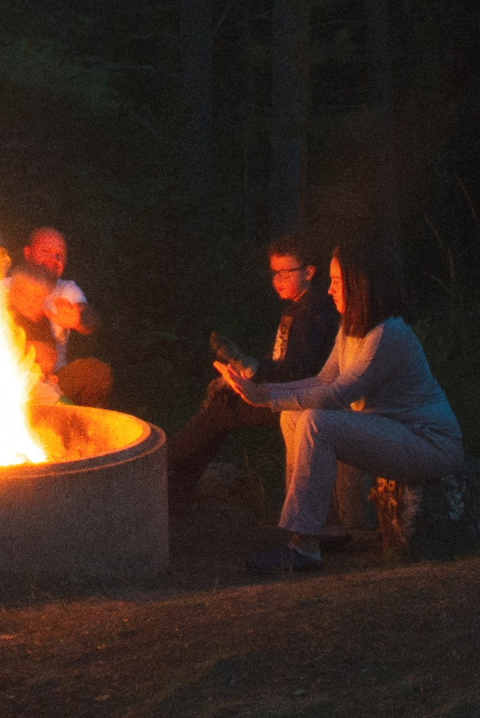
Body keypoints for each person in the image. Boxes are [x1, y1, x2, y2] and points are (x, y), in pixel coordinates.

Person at [223, 243, 464, 575]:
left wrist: (264, 398)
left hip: (429, 442)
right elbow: (323, 379)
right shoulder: (351, 328)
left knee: (317, 422)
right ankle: (322, 528)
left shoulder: (387, 333)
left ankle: (303, 547)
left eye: (337, 280)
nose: (330, 287)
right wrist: (261, 390)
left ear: (360, 282)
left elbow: (338, 394)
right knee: (295, 416)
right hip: (391, 430)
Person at [164, 234, 339, 502]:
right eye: (274, 273)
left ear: (309, 272)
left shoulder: (312, 312)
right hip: (288, 393)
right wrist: (245, 373)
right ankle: (177, 484)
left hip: (304, 400)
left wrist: (250, 369)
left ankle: (163, 464)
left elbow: (297, 372)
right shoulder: (299, 308)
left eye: (285, 272)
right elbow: (282, 361)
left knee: (222, 410)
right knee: (223, 402)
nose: (278, 279)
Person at [8, 226, 111, 406]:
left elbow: (91, 318)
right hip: (8, 379)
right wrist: (24, 348)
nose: (53, 259)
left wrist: (78, 319)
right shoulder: (1, 289)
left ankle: (86, 427)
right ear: (28, 253)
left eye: (59, 256)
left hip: (53, 377)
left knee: (94, 372)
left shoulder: (66, 290)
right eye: (46, 251)